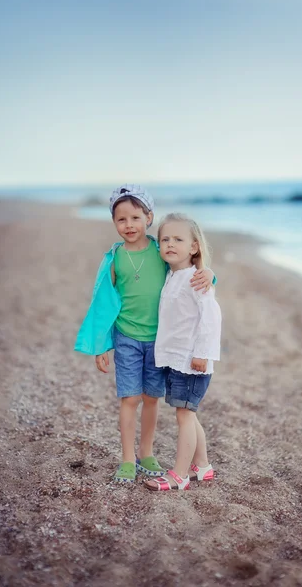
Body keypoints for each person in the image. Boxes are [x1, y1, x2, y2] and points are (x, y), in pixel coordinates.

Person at [74, 186, 215, 483]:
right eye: (121, 219)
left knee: (151, 399)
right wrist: (101, 346)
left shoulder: (160, 250)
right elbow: (102, 302)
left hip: (159, 342)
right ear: (114, 223)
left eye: (135, 218)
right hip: (126, 338)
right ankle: (127, 459)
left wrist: (211, 274)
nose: (129, 225)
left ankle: (146, 452)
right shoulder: (114, 258)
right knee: (129, 399)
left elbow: (189, 268)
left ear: (148, 217)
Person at [145, 213, 221, 492]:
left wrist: (202, 353)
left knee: (184, 415)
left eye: (178, 239)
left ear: (194, 247)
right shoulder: (171, 275)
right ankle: (202, 466)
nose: (169, 244)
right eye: (165, 239)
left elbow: (211, 318)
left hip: (192, 361)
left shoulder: (197, 279)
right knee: (188, 413)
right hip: (177, 359)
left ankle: (179, 475)